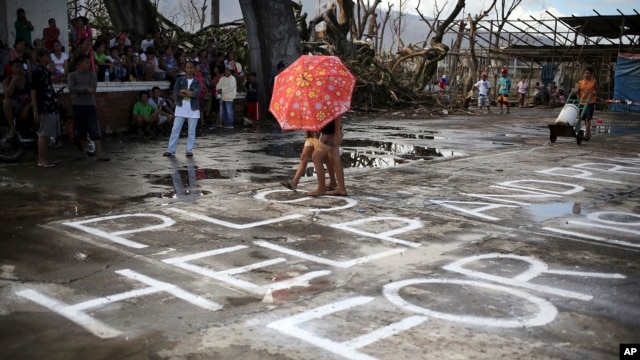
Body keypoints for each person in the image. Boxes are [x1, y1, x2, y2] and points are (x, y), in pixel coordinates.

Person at [68, 54, 109, 161]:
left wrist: (80, 88)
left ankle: (99, 153)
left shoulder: (92, 75)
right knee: (80, 130)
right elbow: (71, 88)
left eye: (89, 62)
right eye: (86, 62)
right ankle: (84, 152)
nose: (88, 64)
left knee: (94, 129)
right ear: (79, 64)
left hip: (89, 104)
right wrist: (86, 89)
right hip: (77, 105)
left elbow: (93, 88)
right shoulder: (72, 75)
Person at [163, 59, 201, 157]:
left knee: (191, 131)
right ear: (185, 69)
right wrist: (188, 93)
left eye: (191, 67)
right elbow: (176, 92)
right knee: (175, 129)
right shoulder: (180, 80)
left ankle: (189, 150)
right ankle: (170, 149)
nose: (189, 69)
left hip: (193, 109)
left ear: (194, 69)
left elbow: (196, 94)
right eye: (187, 67)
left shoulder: (197, 81)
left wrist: (184, 91)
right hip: (181, 108)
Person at [31, 48, 60, 167]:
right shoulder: (37, 71)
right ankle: (41, 160)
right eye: (47, 56)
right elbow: (33, 91)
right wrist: (35, 110)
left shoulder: (45, 70)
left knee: (47, 133)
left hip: (50, 104)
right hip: (44, 105)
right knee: (43, 133)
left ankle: (45, 158)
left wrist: (52, 66)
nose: (50, 57)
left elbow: (55, 75)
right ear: (41, 57)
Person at [307, 118, 347, 197]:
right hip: (329, 133)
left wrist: (337, 133)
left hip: (331, 134)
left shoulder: (330, 105)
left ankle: (321, 188)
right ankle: (341, 188)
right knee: (334, 159)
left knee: (316, 157)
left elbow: (337, 116)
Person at [2, 59, 32, 139]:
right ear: (12, 69)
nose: (19, 69)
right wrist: (13, 81)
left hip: (30, 104)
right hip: (17, 105)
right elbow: (7, 95)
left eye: (20, 67)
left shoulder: (29, 78)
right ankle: (12, 127)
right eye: (16, 67)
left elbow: (37, 95)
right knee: (6, 102)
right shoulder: (7, 80)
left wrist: (27, 108)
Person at [575, 66, 597, 141]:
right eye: (585, 73)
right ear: (583, 74)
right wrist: (575, 91)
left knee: (588, 119)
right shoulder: (580, 82)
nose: (586, 74)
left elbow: (597, 91)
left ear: (591, 74)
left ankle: (587, 134)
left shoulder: (593, 82)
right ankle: (588, 132)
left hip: (590, 102)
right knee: (582, 118)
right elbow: (578, 91)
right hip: (582, 102)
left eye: (588, 73)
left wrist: (593, 92)